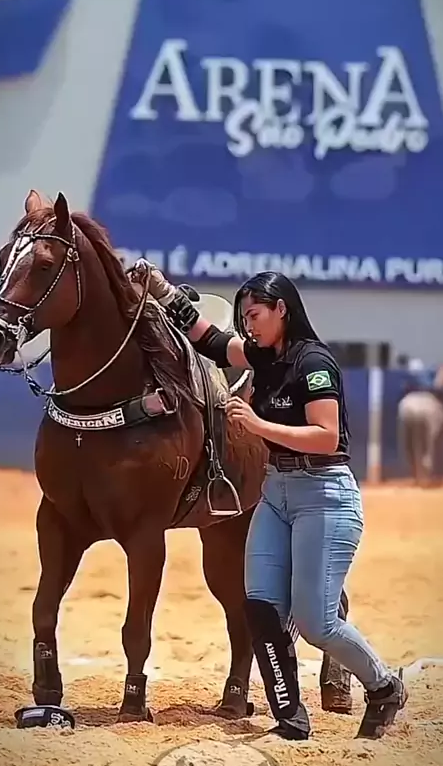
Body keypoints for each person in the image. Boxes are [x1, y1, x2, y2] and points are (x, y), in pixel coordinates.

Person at [134, 264, 408, 741]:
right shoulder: (262, 356)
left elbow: (326, 437)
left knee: (317, 623)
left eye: (254, 316)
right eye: (244, 318)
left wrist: (258, 426)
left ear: (282, 309)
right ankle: (290, 715)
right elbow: (211, 340)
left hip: (323, 495)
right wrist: (163, 290)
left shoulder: (314, 363)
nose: (248, 326)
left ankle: (383, 687)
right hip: (276, 493)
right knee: (259, 608)